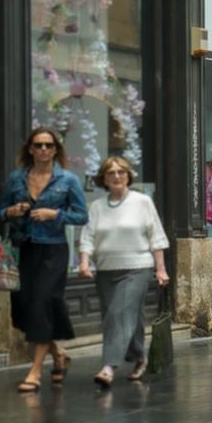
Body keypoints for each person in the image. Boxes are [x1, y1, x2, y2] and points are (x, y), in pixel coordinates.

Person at [0, 128, 88, 393]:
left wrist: (55, 214)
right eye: (38, 145)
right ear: (30, 149)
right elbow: (1, 211)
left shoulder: (68, 180)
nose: (43, 150)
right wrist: (11, 211)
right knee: (23, 308)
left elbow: (82, 216)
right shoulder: (16, 178)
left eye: (48, 145)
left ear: (55, 150)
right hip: (24, 248)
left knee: (42, 304)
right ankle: (58, 353)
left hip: (53, 249)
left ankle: (35, 371)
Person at [76, 155, 169, 389]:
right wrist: (84, 262)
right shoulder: (98, 206)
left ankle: (109, 366)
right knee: (127, 316)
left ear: (128, 176)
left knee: (118, 313)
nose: (117, 176)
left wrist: (161, 269)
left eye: (121, 172)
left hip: (137, 268)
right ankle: (139, 357)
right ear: (104, 179)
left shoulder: (142, 202)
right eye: (111, 173)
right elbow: (87, 237)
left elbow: (156, 236)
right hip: (106, 270)